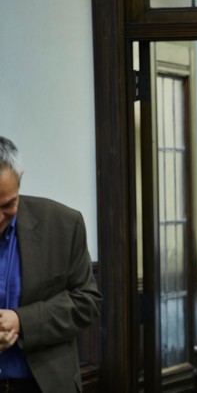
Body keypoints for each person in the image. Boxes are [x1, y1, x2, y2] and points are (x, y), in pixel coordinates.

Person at [0, 136, 102, 393]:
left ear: (20, 183)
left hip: (44, 385)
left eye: (7, 205)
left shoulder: (63, 225)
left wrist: (22, 322)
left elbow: (87, 302)